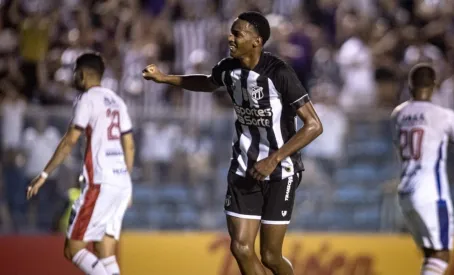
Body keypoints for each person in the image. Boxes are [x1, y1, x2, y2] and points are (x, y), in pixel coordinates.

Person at [142, 11, 323, 275]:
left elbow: (314, 125)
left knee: (271, 256)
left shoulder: (279, 72)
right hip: (243, 166)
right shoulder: (228, 68)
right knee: (241, 248)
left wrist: (273, 159)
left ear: (257, 41)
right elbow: (207, 83)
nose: (230, 37)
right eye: (231, 31)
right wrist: (166, 78)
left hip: (280, 171)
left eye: (237, 33)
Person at [27, 52, 135, 275]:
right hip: (121, 183)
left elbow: (70, 141)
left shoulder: (87, 99)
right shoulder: (117, 101)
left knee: (73, 249)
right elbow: (130, 145)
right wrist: (127, 180)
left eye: (75, 73)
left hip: (100, 182)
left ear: (83, 74)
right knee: (105, 251)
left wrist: (45, 174)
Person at [390, 63, 454, 275]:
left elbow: (399, 149)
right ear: (434, 86)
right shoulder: (445, 116)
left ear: (410, 87)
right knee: (441, 254)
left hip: (406, 191)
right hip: (430, 192)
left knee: (429, 255)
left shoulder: (398, 114)